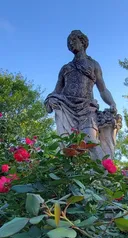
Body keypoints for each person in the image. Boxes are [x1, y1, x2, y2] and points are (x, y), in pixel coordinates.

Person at [45, 30, 117, 160]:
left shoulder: (93, 64)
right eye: (68, 42)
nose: (70, 44)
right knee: (69, 147)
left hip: (87, 108)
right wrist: (50, 100)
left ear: (83, 42)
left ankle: (106, 176)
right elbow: (57, 91)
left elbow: (103, 89)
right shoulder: (65, 68)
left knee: (90, 141)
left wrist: (111, 103)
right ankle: (72, 177)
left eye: (73, 40)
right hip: (67, 108)